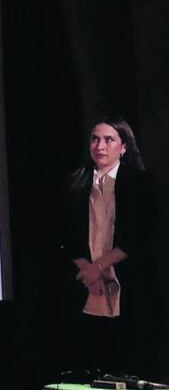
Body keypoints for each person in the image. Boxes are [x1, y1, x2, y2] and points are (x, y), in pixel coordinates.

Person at [61, 116, 155, 376]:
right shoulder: (76, 184)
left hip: (126, 281)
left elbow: (139, 236)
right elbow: (65, 237)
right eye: (95, 139)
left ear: (123, 147)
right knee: (89, 359)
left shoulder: (139, 183)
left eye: (108, 139)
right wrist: (88, 272)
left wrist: (100, 266)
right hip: (87, 283)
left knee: (126, 358)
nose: (99, 145)